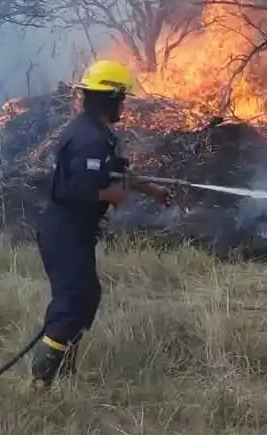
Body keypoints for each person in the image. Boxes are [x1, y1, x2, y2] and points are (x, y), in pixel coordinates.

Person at [30, 59, 173, 387]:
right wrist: (113, 195)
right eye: (122, 98)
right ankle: (40, 384)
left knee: (86, 296)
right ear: (109, 98)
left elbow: (113, 173)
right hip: (64, 233)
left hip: (73, 234)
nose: (125, 105)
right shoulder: (88, 140)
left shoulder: (95, 133)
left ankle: (64, 373)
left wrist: (151, 190)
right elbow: (81, 189)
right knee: (71, 302)